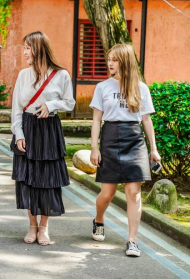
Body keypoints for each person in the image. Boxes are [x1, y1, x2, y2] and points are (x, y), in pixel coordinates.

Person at [89, 43, 161, 257]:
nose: (110, 63)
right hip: (110, 137)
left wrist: (153, 150)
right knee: (108, 192)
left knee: (133, 192)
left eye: (114, 60)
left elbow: (146, 120)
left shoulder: (141, 88)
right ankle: (99, 219)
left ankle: (132, 240)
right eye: (109, 59)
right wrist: (94, 147)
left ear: (125, 62)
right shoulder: (102, 87)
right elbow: (96, 119)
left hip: (134, 138)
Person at [11, 31, 75, 245]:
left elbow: (70, 103)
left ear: (40, 49)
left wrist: (51, 105)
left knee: (47, 181)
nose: (25, 52)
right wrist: (18, 133)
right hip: (27, 128)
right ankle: (32, 225)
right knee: (27, 180)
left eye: (28, 48)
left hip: (49, 130)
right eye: (24, 48)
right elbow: (16, 108)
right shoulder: (23, 75)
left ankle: (44, 227)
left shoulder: (61, 75)